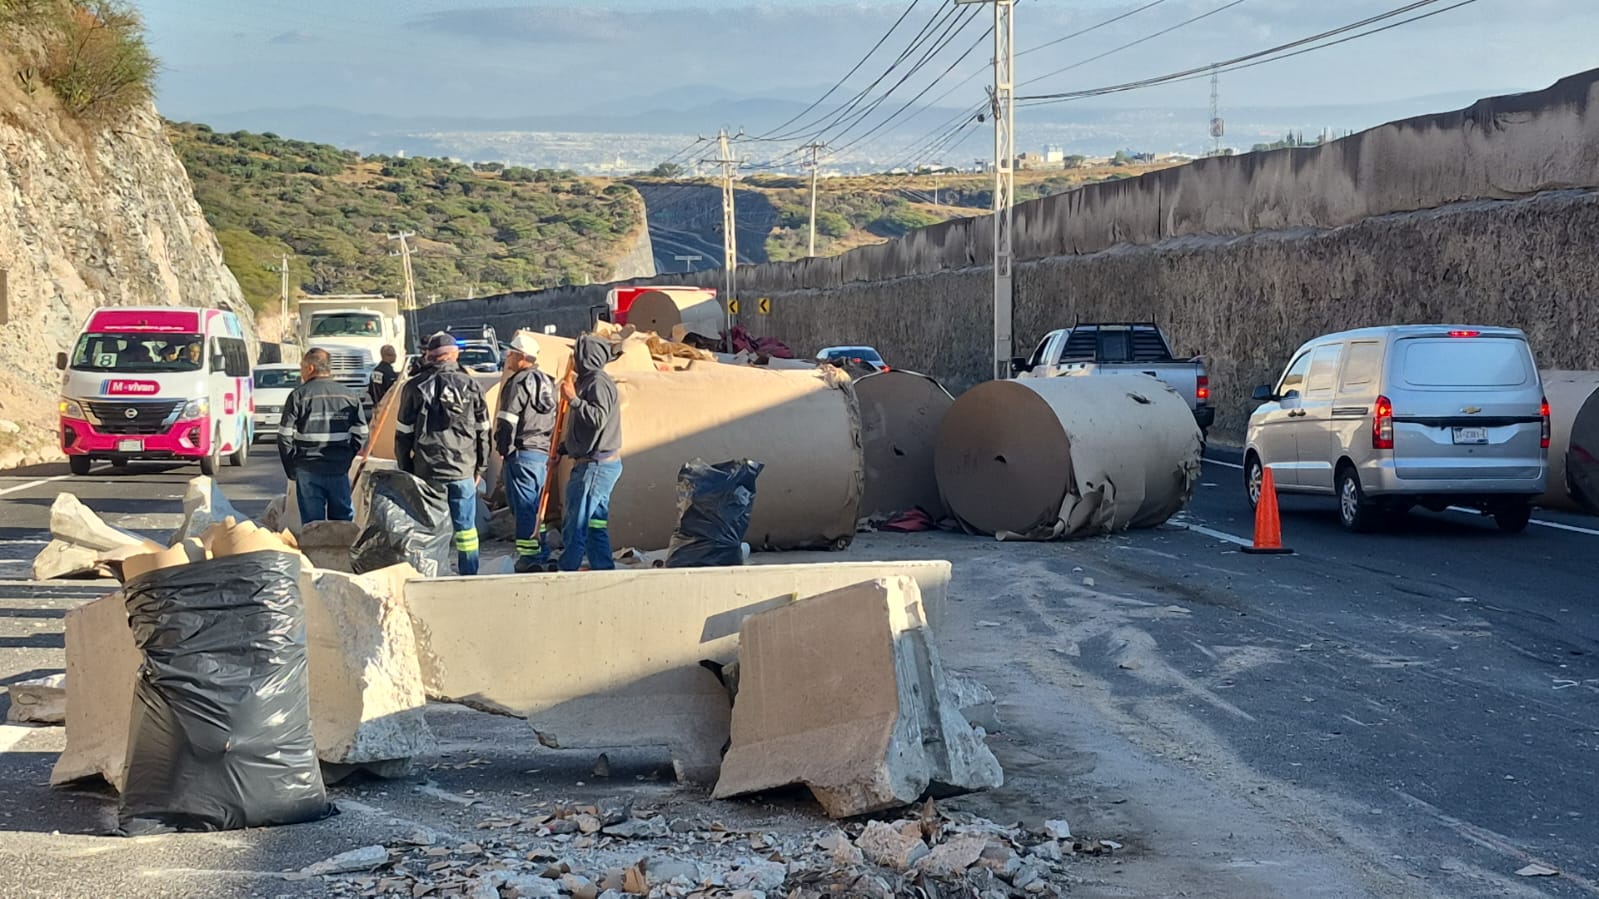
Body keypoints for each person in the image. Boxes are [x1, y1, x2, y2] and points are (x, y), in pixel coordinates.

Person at [395, 332, 491, 576]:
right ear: (454, 355)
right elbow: (483, 431)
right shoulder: (472, 385)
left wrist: (407, 468)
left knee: (430, 529)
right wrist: (480, 467)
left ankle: (432, 573)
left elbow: (403, 434)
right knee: (466, 529)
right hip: (463, 469)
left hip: (427, 470)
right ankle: (469, 573)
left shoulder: (414, 387)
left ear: (430, 356)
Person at [278, 348, 368, 523]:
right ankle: (342, 543)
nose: (301, 372)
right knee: (342, 524)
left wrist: (292, 468)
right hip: (338, 468)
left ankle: (315, 543)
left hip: (308, 468)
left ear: (310, 368)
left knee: (313, 526)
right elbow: (361, 433)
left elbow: (284, 437)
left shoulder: (298, 396)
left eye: (302, 367)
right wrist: (346, 458)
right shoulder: (349, 395)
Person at [558, 334, 623, 572]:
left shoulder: (598, 383)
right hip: (597, 463)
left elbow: (597, 419)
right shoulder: (588, 381)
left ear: (587, 357)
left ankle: (567, 570)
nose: (572, 359)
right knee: (595, 524)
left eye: (576, 354)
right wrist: (565, 448)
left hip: (595, 466)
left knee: (576, 522)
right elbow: (586, 430)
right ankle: (603, 568)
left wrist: (573, 400)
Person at [494, 332, 557, 573]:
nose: (507, 357)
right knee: (534, 507)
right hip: (541, 452)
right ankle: (541, 549)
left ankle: (530, 557)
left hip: (521, 452)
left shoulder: (518, 383)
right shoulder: (547, 382)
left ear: (522, 356)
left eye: (511, 353)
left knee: (522, 508)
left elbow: (507, 420)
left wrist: (504, 449)